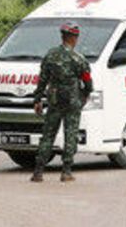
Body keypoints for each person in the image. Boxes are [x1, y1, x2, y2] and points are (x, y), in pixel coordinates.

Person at [31, 22, 92, 183]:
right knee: (70, 134)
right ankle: (66, 171)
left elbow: (42, 81)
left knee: (48, 135)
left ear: (62, 36)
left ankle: (38, 172)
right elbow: (88, 83)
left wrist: (37, 100)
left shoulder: (50, 55)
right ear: (74, 38)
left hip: (54, 100)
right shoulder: (78, 59)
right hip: (73, 101)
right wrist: (84, 96)